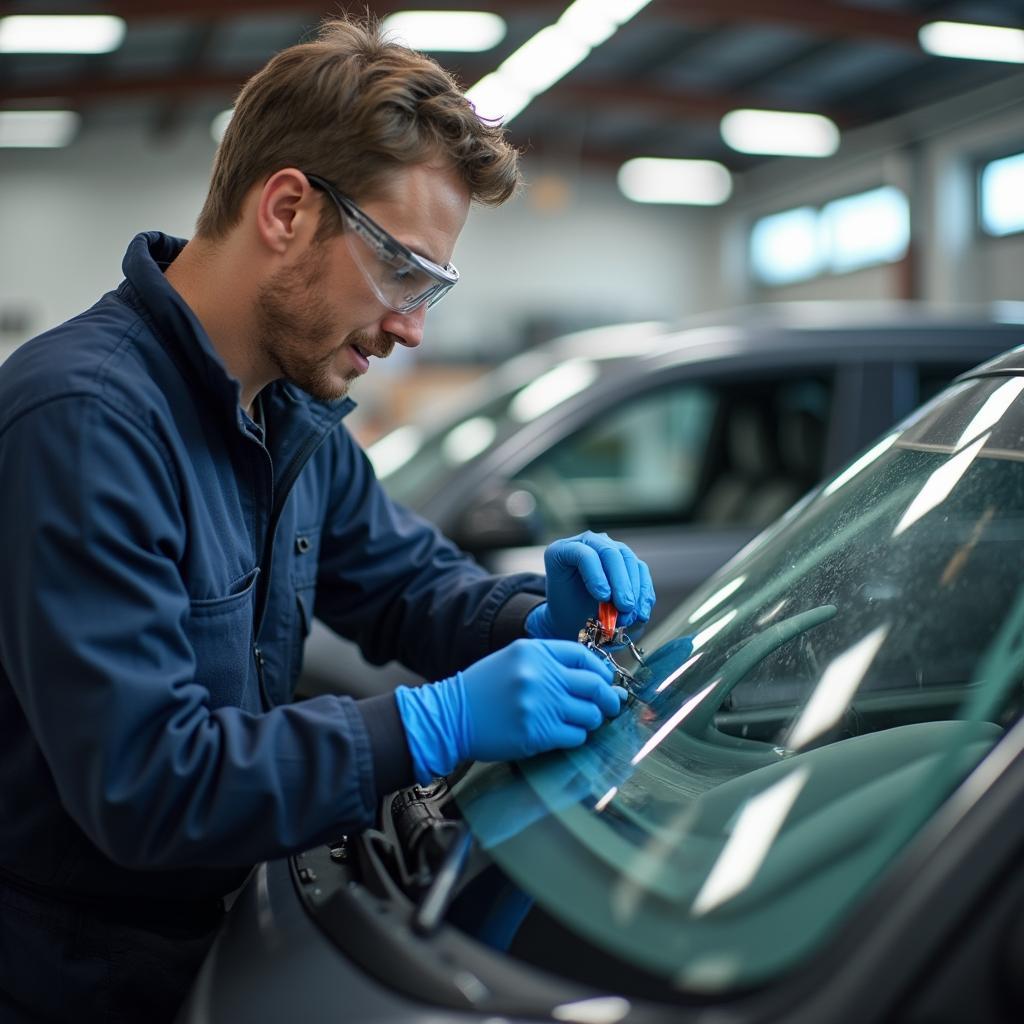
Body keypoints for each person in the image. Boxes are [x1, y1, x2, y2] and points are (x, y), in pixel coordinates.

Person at [0, 16, 654, 1023]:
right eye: (402, 270)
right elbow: (146, 778)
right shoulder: (86, 422)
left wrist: (526, 619)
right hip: (79, 976)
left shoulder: (289, 415)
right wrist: (430, 724)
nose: (412, 326)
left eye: (432, 286)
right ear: (289, 209)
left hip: (221, 934)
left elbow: (402, 584)